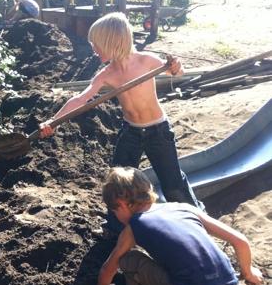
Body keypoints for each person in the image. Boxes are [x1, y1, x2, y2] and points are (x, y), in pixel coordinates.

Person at [38, 12, 203, 232]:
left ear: (111, 42)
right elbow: (80, 99)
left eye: (96, 45)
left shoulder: (147, 61)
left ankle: (196, 221)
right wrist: (53, 121)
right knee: (116, 184)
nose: (94, 50)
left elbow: (177, 71)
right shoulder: (107, 74)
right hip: (131, 133)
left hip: (158, 131)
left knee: (172, 183)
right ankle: (115, 227)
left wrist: (175, 66)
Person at [98, 167, 263, 285]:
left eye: (114, 211)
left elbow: (110, 266)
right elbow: (240, 242)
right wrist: (248, 272)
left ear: (122, 204)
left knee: (130, 260)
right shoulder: (185, 209)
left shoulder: (134, 227)